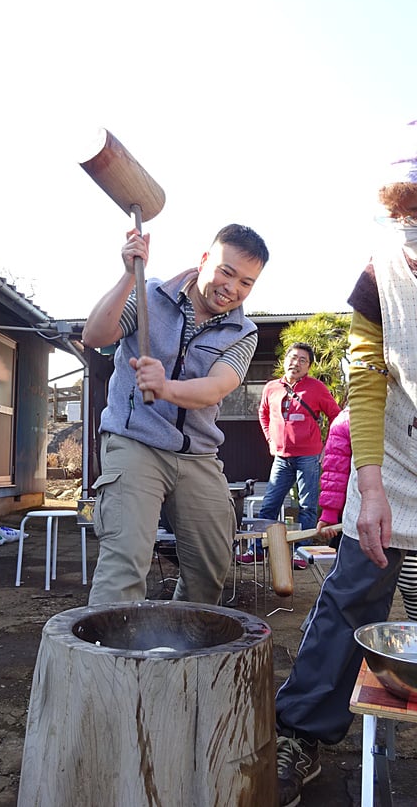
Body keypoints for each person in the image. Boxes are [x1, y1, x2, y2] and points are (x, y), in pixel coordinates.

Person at [275, 120, 417, 807]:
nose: (411, 236)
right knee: (352, 593)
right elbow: (364, 374)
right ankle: (300, 731)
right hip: (389, 452)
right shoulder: (381, 265)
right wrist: (366, 480)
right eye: (402, 214)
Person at [82, 223, 270, 606]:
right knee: (125, 563)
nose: (232, 288)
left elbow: (217, 387)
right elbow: (95, 334)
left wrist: (165, 387)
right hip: (136, 442)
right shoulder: (149, 294)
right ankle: (109, 662)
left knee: (211, 566)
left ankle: (181, 652)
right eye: (226, 272)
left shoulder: (243, 332)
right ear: (204, 261)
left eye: (246, 283)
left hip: (197, 454)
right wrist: (126, 275)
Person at [237, 342, 341, 566]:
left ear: (309, 367)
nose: (297, 363)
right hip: (281, 458)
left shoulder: (316, 388)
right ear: (284, 361)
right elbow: (263, 414)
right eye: (293, 358)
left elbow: (337, 416)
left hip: (309, 457)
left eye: (303, 360)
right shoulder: (271, 387)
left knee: (307, 506)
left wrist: (328, 447)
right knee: (269, 505)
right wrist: (269, 439)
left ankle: (301, 553)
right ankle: (257, 550)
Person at [318, 404, 417, 618]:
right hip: (363, 514)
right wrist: (328, 514)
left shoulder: (404, 415)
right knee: (357, 586)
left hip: (407, 508)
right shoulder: (348, 420)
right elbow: (335, 471)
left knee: (411, 580)